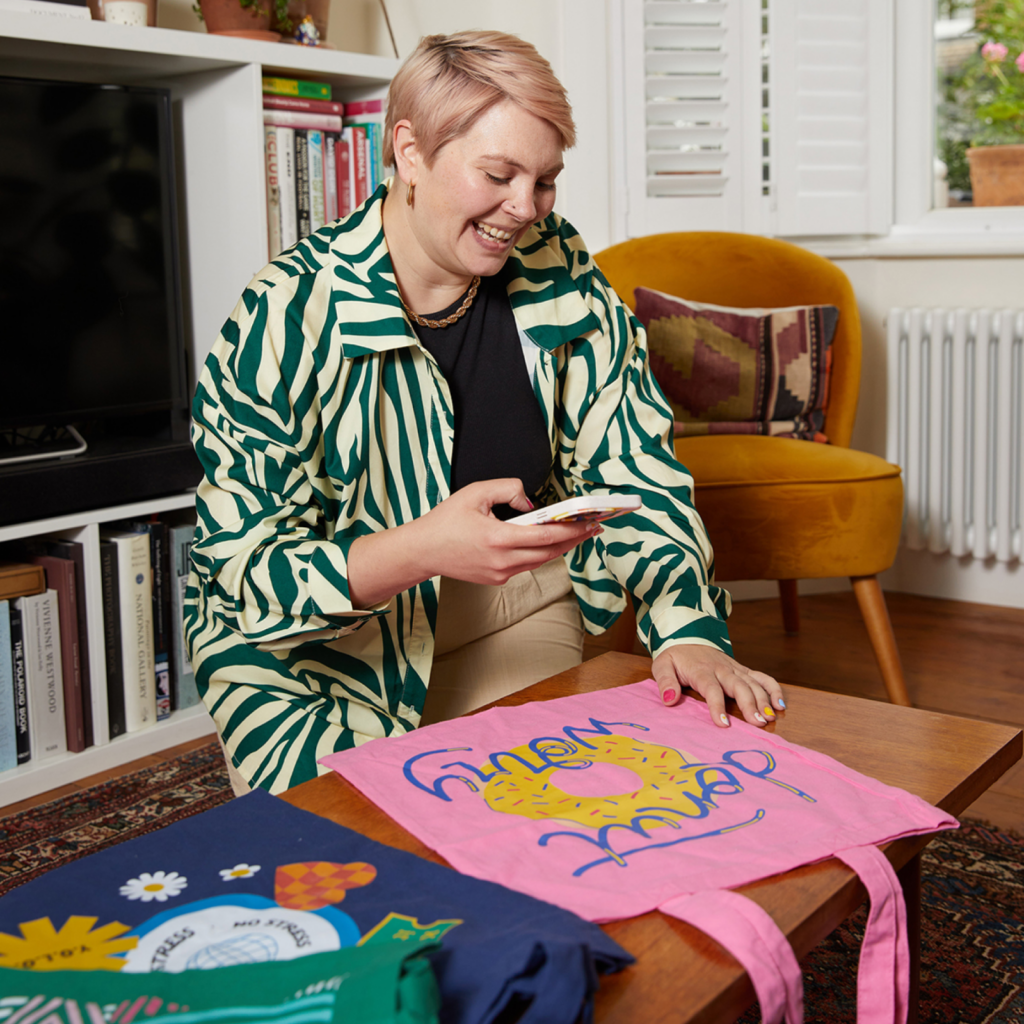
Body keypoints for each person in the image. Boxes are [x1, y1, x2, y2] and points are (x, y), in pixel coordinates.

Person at [185, 30, 783, 796]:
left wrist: (689, 627)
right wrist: (422, 549)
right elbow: (247, 577)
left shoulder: (556, 263)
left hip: (510, 604)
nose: (525, 209)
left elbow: (630, 460)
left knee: (561, 818)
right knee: (363, 867)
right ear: (409, 150)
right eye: (499, 174)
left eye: (546, 180)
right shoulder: (285, 315)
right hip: (314, 654)